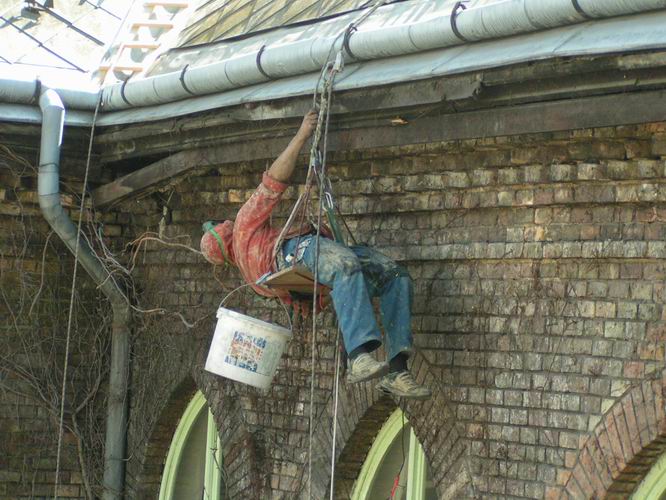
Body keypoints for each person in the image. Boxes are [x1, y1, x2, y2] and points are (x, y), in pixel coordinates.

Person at [201, 111, 431, 400]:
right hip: (295, 255)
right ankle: (359, 358)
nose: (226, 222)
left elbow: (301, 300)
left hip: (311, 262)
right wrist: (302, 135)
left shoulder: (252, 278)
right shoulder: (243, 227)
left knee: (394, 275)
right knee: (346, 265)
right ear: (223, 235)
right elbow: (273, 182)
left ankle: (397, 372)